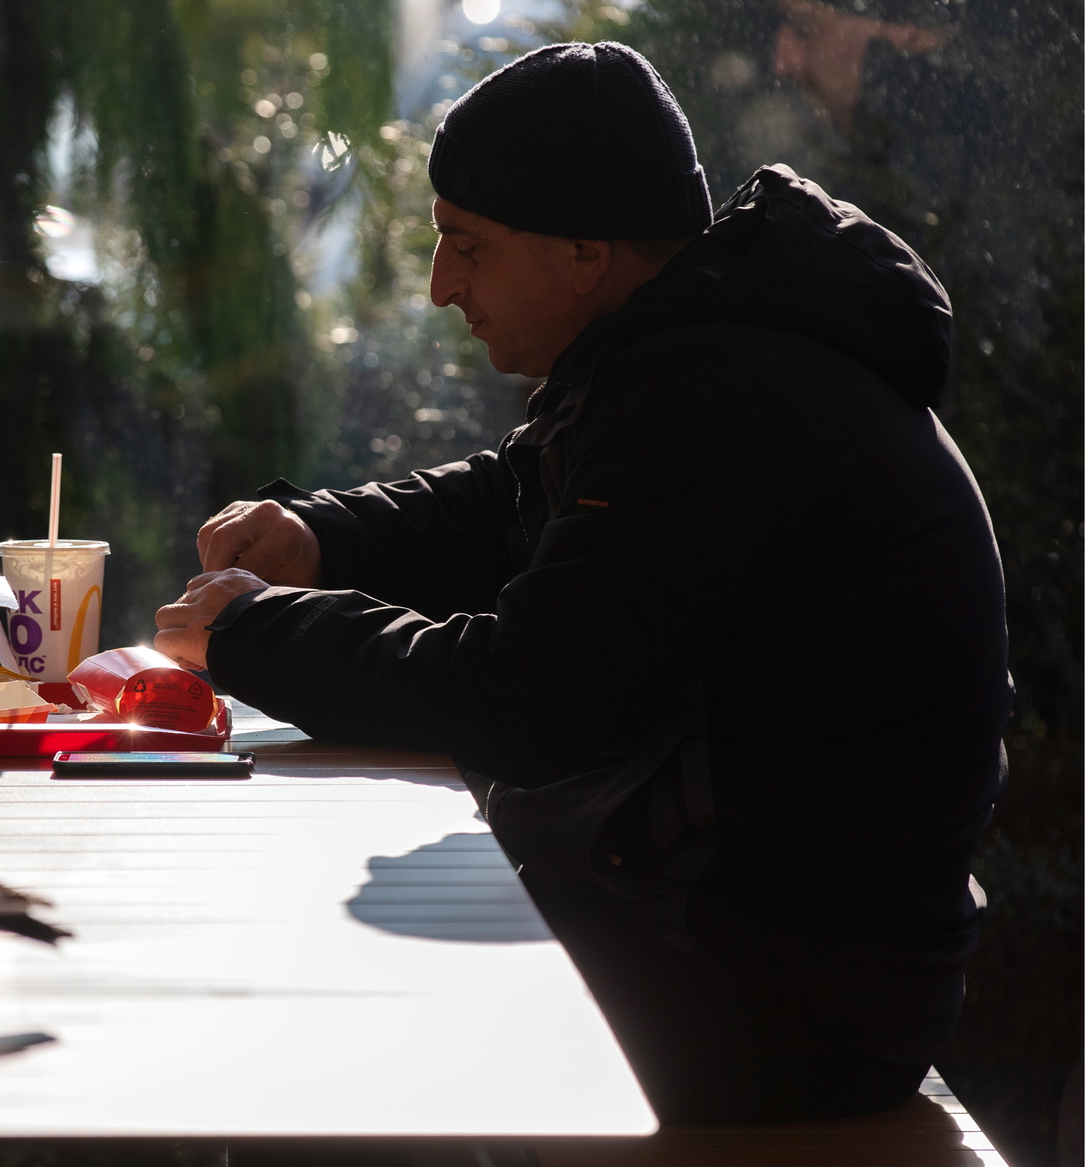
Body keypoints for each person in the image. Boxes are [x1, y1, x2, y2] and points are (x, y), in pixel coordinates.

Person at [154, 41, 1010, 1125]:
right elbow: (512, 500)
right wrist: (319, 539)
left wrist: (256, 635)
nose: (436, 287)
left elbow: (527, 699)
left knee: (321, 1021)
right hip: (753, 941)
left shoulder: (718, 401)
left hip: (783, 996)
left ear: (583, 254)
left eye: (465, 246)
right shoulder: (680, 357)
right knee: (322, 982)